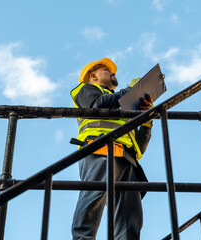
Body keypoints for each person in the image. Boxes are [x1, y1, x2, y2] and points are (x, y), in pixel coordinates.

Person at [70, 58, 153, 240]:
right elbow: (98, 105)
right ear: (93, 76)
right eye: (107, 70)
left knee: (130, 216)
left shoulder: (121, 107)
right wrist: (132, 91)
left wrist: (146, 123)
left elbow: (138, 146)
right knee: (94, 198)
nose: (113, 73)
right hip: (100, 149)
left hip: (126, 159)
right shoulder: (85, 90)